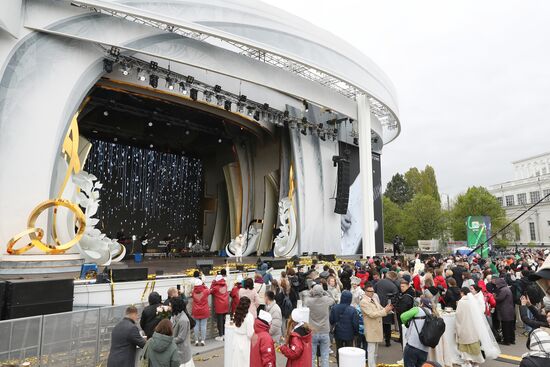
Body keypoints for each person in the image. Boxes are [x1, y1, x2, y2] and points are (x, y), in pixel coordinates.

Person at [361, 282, 393, 367]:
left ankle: (373, 364)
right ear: (365, 291)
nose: (372, 293)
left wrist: (388, 308)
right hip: (371, 328)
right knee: (371, 350)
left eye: (373, 291)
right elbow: (371, 314)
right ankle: (371, 365)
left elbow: (380, 308)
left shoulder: (374, 299)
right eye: (370, 291)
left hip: (377, 328)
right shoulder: (363, 302)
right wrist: (385, 311)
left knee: (375, 351)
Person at [306, 284, 335, 367]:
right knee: (325, 356)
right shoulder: (326, 300)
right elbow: (333, 300)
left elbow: (305, 299)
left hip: (313, 332)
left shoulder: (310, 301)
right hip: (324, 331)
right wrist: (324, 292)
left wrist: (310, 292)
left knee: (312, 356)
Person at [456, 287, 485, 366]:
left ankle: (467, 362)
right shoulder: (473, 300)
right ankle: (476, 362)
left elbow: (458, 315)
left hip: (464, 325)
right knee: (474, 344)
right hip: (473, 326)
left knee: (464, 344)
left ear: (462, 293)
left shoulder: (461, 302)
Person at [400, 297, 433, 367]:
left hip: (412, 346)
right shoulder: (433, 313)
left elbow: (403, 317)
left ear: (421, 303)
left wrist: (406, 324)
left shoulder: (417, 309)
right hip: (425, 349)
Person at [330, 290, 359, 364]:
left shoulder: (335, 307)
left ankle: (340, 364)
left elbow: (331, 320)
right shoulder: (352, 309)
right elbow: (355, 324)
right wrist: (356, 333)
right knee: (349, 351)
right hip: (349, 334)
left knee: (339, 350)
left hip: (338, 333)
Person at [374, 270, 399, 346]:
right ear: (393, 278)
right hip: (388, 306)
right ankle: (387, 341)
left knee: (378, 323)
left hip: (377, 305)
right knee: (387, 325)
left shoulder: (378, 282)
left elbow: (374, 293)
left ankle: (376, 340)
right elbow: (395, 298)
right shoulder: (393, 286)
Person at [228, 296, 254, 367]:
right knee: (244, 362)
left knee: (236, 361)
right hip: (245, 341)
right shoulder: (249, 317)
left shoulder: (236, 313)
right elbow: (250, 333)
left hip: (236, 339)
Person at [171, 298, 193, 367]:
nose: (169, 307)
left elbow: (181, 338)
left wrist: (168, 340)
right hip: (177, 350)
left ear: (175, 307)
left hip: (182, 351)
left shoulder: (183, 320)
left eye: (170, 306)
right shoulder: (175, 315)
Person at [494, 277, 516, 345]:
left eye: (497, 284)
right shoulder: (507, 289)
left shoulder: (503, 290)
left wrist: (494, 296)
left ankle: (506, 341)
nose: (496, 286)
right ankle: (512, 339)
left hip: (505, 310)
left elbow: (499, 299)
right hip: (510, 310)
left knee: (505, 326)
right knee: (510, 326)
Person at [210, 274, 230, 341]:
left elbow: (210, 290)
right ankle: (225, 334)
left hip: (219, 305)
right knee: (224, 320)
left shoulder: (216, 288)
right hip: (226, 304)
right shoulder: (225, 285)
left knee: (219, 321)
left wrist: (213, 282)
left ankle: (221, 335)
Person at [191, 278, 210, 346]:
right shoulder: (205, 291)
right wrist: (204, 285)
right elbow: (209, 290)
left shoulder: (193, 292)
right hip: (204, 310)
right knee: (203, 326)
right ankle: (202, 340)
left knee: (196, 326)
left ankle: (196, 340)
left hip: (196, 311)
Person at [396, 279, 415, 345]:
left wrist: (397, 307)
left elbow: (402, 308)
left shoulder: (406, 296)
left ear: (407, 286)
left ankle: (403, 343)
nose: (401, 288)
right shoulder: (409, 293)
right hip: (408, 315)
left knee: (404, 331)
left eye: (403, 286)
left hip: (404, 316)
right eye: (401, 286)